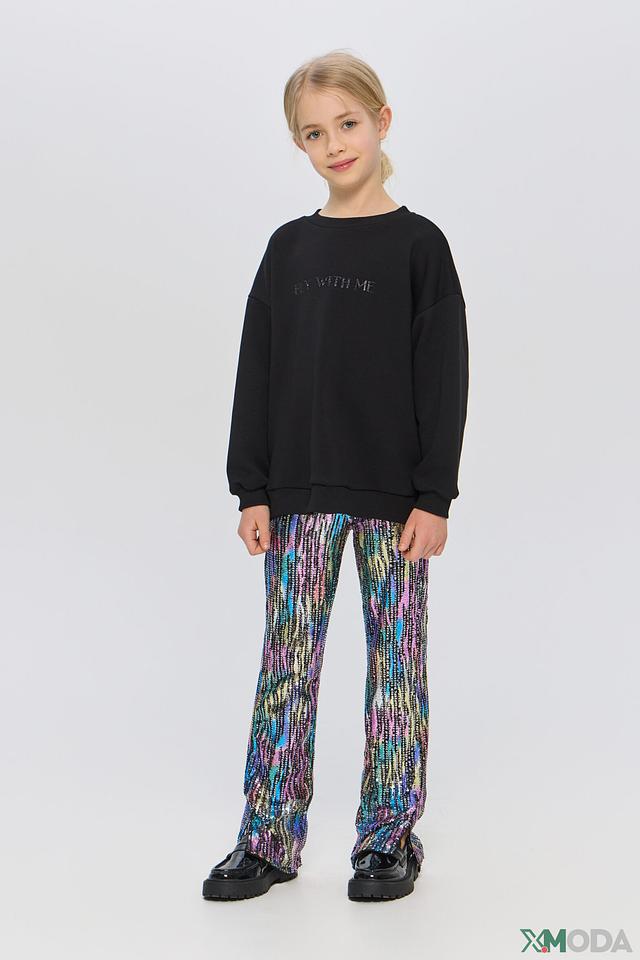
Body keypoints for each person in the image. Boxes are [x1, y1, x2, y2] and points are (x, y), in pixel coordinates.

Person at [202, 48, 469, 903]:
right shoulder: (288, 248)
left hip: (396, 502)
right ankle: (268, 838)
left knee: (397, 668)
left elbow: (444, 377)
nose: (334, 144)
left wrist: (434, 495)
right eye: (314, 133)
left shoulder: (421, 246)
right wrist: (251, 486)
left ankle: (388, 838)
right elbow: (258, 367)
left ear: (381, 122)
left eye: (347, 124)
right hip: (300, 496)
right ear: (300, 145)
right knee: (287, 661)